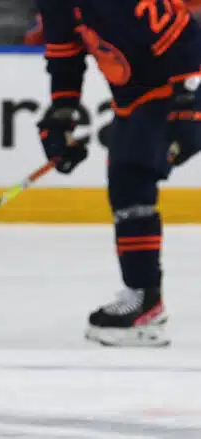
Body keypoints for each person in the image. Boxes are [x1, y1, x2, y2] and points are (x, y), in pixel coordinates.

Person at [36, 0, 200, 347]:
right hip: (138, 97)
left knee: (132, 174)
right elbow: (64, 51)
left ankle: (145, 301)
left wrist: (189, 106)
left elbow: (187, 37)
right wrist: (62, 111)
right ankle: (143, 299)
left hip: (178, 87)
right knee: (128, 179)